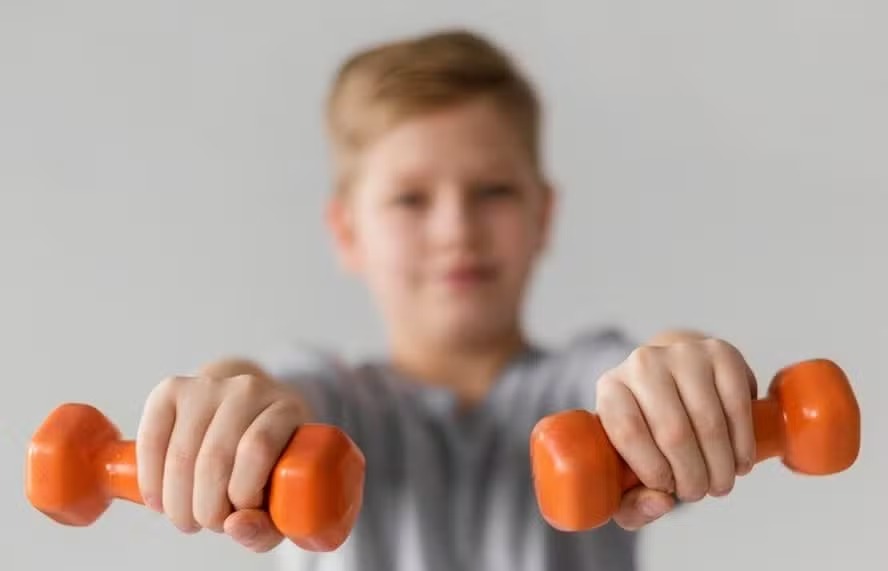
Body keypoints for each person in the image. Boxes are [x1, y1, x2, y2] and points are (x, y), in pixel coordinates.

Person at [134, 28, 759, 570]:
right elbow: (269, 393)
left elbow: (641, 374)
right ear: (348, 234)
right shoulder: (334, 402)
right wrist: (222, 393)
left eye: (493, 192)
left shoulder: (585, 387)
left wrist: (682, 366)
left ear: (543, 216)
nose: (457, 230)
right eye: (410, 200)